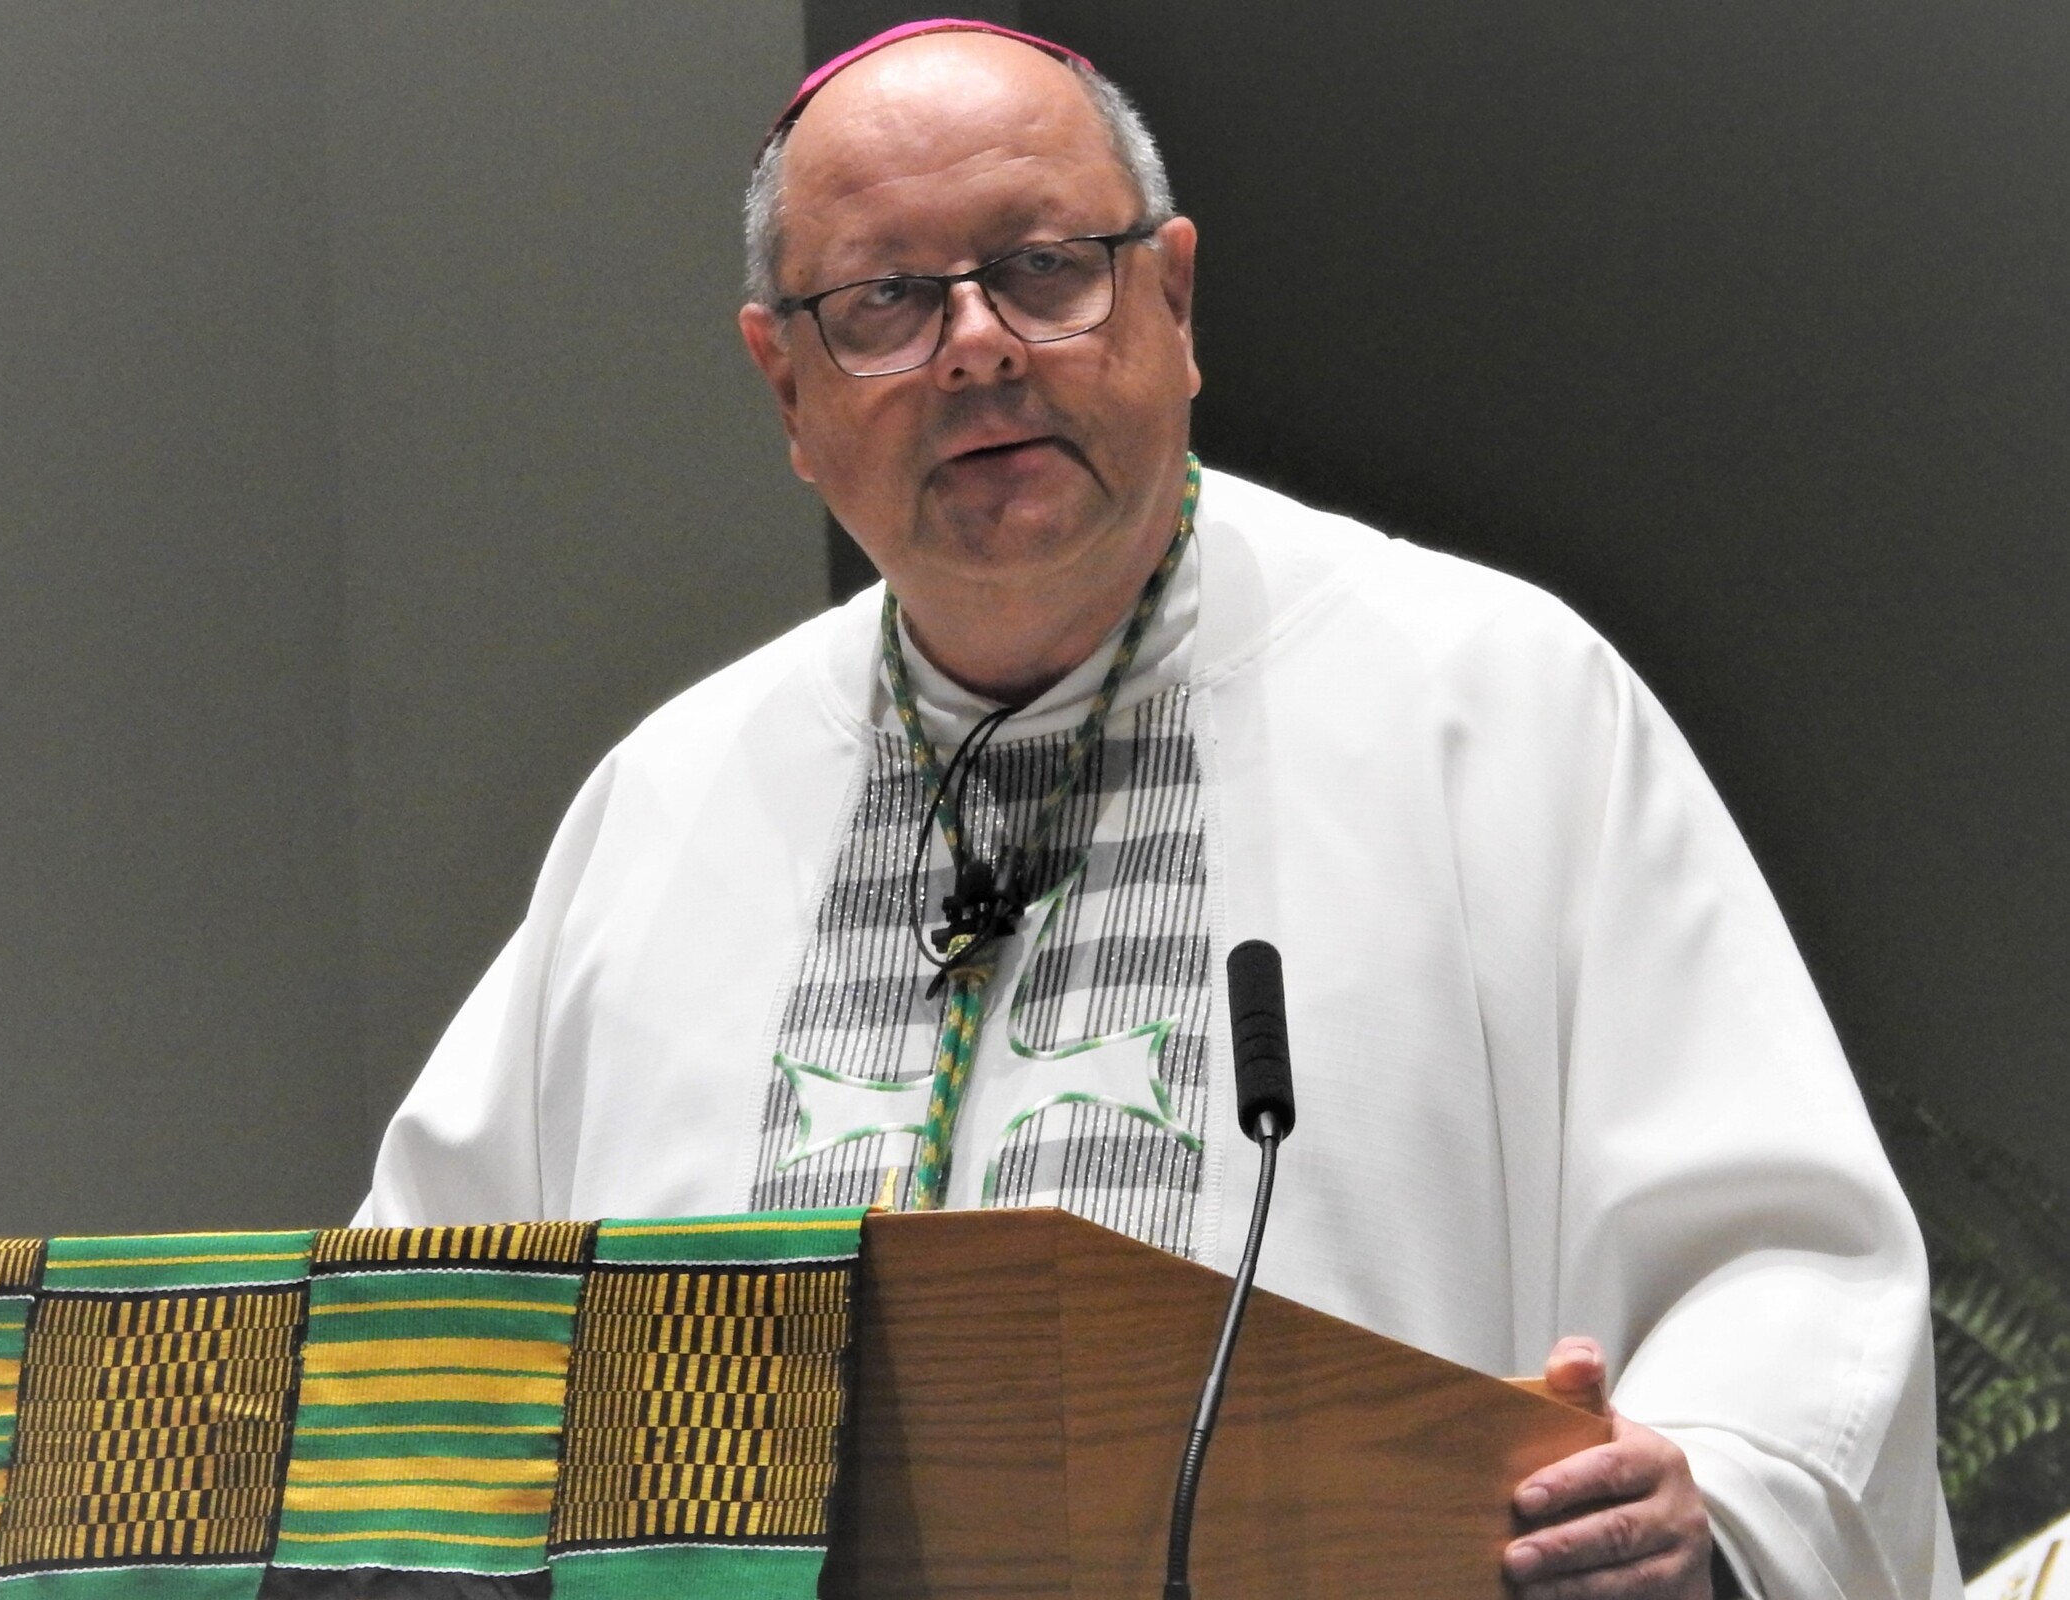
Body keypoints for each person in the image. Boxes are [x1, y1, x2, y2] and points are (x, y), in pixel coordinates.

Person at [357, 20, 1956, 1600]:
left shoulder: (1494, 703)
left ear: (1173, 300)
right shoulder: (669, 805)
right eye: (886, 302)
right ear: (785, 382)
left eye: (1046, 268)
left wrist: (1704, 1508)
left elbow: (1784, 1272)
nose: (978, 346)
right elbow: (418, 1365)